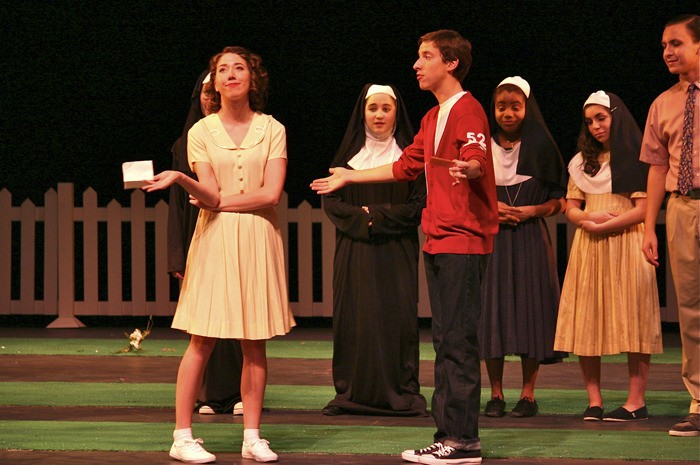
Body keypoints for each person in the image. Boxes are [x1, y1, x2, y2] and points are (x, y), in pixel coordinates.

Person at [312, 30, 497, 465]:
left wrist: (469, 168)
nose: (417, 64)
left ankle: (463, 440)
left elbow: (476, 155)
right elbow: (404, 166)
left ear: (450, 63)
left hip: (463, 241)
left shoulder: (467, 110)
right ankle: (449, 434)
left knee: (458, 343)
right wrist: (349, 177)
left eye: (426, 56)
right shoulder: (433, 118)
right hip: (439, 239)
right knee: (446, 341)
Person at [144, 46, 296, 463]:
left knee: (254, 342)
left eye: (239, 67)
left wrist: (219, 202)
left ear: (253, 77)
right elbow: (208, 191)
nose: (231, 74)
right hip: (214, 240)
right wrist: (181, 179)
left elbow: (270, 193)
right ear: (214, 82)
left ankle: (252, 435)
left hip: (258, 237)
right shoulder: (201, 132)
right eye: (222, 69)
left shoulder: (272, 128)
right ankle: (182, 435)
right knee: (202, 338)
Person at [554, 90, 662, 422]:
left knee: (634, 319)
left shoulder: (635, 157)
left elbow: (644, 209)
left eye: (601, 118)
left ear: (616, 116)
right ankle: (594, 400)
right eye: (589, 122)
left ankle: (636, 401)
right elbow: (571, 207)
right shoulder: (581, 162)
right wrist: (585, 220)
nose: (596, 126)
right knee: (588, 318)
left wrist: (607, 224)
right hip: (590, 246)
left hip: (627, 242)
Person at [321, 83, 427, 417]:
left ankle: (400, 392)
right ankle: (351, 392)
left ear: (397, 112)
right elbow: (332, 201)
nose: (379, 115)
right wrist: (361, 221)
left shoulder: (409, 157)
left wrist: (376, 218)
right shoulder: (348, 157)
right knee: (355, 317)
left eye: (386, 108)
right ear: (362, 113)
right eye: (372, 108)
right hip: (354, 251)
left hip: (396, 251)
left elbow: (419, 206)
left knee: (397, 318)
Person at [479, 76, 567, 419]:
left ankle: (528, 394)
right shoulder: (482, 147)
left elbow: (560, 201)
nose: (508, 113)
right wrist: (491, 210)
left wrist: (534, 210)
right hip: (492, 239)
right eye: (501, 107)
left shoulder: (543, 147)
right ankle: (496, 393)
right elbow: (467, 194)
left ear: (527, 109)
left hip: (531, 237)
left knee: (532, 311)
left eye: (515, 106)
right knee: (492, 313)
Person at [167, 70, 245, 418]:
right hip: (200, 233)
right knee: (205, 322)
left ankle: (239, 393)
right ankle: (209, 394)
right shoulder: (187, 142)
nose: (210, 99)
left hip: (237, 230)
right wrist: (177, 256)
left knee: (242, 316)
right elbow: (178, 207)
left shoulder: (244, 135)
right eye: (206, 93)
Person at [640, 14, 700, 437]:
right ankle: (699, 400)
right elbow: (657, 169)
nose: (667, 52)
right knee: (691, 311)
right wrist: (648, 228)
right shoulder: (663, 102)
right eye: (664, 45)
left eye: (676, 43)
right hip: (682, 208)